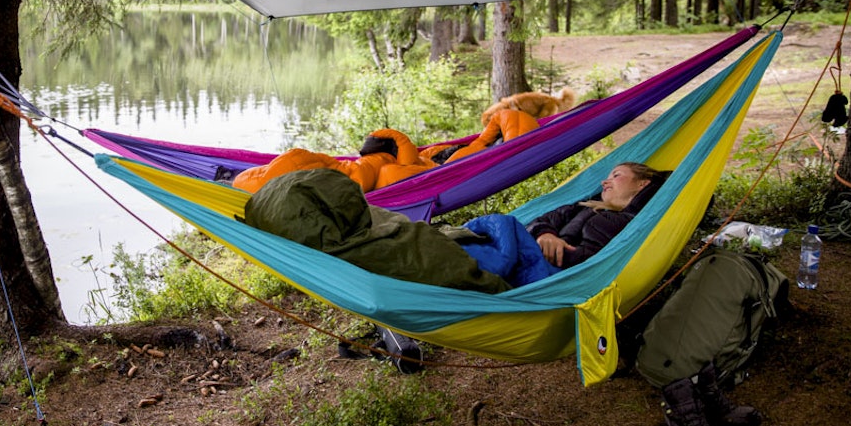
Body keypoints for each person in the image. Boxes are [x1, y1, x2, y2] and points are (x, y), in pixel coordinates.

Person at [458, 162, 666, 287]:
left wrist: (559, 253)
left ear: (642, 183)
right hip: (535, 254)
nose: (605, 181)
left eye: (616, 175)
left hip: (554, 274)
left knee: (503, 225)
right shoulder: (583, 206)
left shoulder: (634, 223)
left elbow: (596, 265)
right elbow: (543, 220)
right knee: (498, 227)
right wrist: (545, 235)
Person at [231, 128, 436, 194]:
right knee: (298, 161)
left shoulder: (396, 168)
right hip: (344, 168)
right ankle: (243, 181)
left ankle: (241, 181)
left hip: (345, 176)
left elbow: (392, 173)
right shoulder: (399, 161)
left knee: (297, 166)